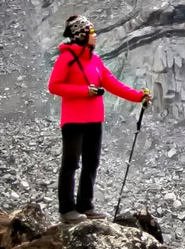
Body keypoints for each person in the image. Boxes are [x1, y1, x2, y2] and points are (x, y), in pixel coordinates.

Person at [46, 13, 151, 218]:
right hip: (73, 120)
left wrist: (139, 97)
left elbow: (113, 84)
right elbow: (54, 86)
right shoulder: (66, 58)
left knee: (91, 162)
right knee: (71, 163)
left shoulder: (95, 60)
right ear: (81, 35)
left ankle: (85, 205)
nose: (95, 35)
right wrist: (85, 91)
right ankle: (67, 209)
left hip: (94, 119)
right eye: (91, 32)